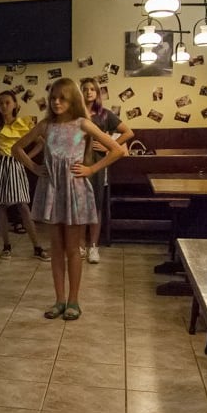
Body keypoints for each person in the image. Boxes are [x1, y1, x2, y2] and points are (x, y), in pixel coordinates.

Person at [12, 77, 124, 321]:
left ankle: (73, 301)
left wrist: (91, 169)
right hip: (52, 189)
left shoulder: (83, 124)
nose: (56, 102)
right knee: (56, 248)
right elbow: (16, 148)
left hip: (75, 190)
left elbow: (118, 150)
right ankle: (59, 300)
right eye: (53, 98)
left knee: (73, 248)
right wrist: (34, 167)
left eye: (62, 98)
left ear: (73, 99)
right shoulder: (45, 126)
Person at [0, 90, 50, 261]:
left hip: (15, 165)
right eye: (1, 103)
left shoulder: (22, 124)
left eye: (7, 102)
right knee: (0, 206)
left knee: (23, 206)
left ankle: (37, 247)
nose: (4, 106)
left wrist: (25, 158)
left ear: (15, 105)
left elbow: (41, 144)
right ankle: (6, 246)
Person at [80, 77, 134, 263]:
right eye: (85, 89)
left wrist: (109, 145)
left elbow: (128, 132)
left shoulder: (104, 114)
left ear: (97, 93)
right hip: (78, 162)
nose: (89, 92)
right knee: (79, 205)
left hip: (98, 164)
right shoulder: (75, 114)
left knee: (96, 204)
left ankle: (93, 246)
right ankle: (80, 244)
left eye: (92, 89)